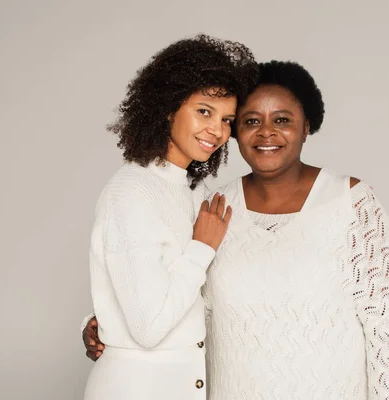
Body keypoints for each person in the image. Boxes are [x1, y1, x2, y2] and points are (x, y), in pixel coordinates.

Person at [83, 60, 389, 400]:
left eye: (282, 120)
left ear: (307, 127)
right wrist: (107, 320)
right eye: (250, 121)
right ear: (238, 134)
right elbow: (173, 294)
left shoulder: (351, 204)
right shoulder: (214, 207)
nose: (266, 132)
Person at [82, 35, 257, 400]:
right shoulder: (131, 192)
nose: (217, 131)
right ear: (167, 107)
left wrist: (102, 321)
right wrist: (201, 248)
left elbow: (184, 295)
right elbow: (148, 326)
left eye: (227, 119)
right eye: (204, 111)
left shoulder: (197, 192)